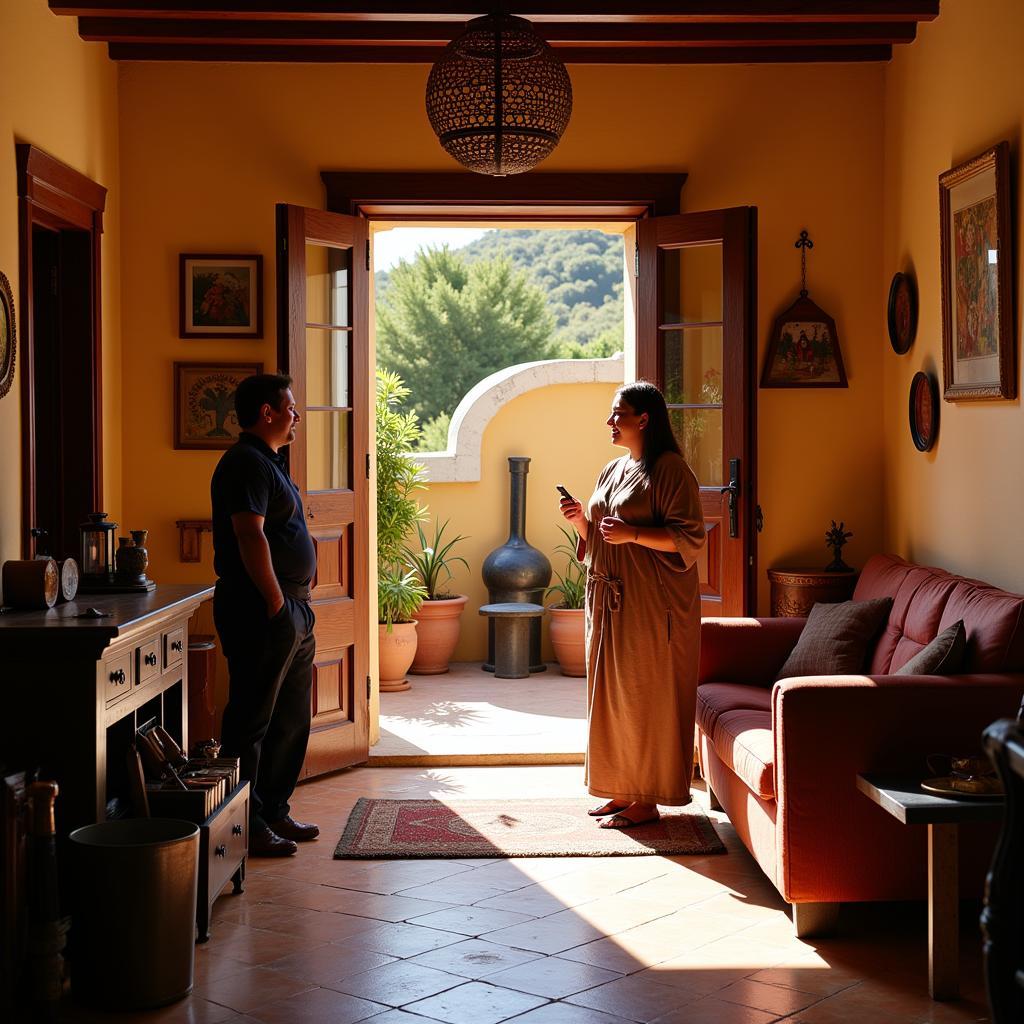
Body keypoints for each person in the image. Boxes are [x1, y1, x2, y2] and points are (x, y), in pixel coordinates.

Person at [560, 381, 706, 829]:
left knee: (647, 696)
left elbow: (690, 538)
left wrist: (634, 534)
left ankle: (648, 799)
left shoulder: (670, 470)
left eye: (618, 414)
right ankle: (622, 790)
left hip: (651, 605)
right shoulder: (612, 469)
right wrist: (581, 521)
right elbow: (603, 537)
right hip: (608, 601)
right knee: (612, 697)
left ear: (644, 418)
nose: (610, 422)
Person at [211, 373, 319, 857]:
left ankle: (273, 809)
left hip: (292, 609)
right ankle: (246, 825)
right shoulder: (244, 464)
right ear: (267, 412)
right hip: (263, 610)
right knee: (252, 722)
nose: (297, 415)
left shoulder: (270, 462)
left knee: (291, 717)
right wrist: (276, 605)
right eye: (290, 407)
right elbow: (249, 535)